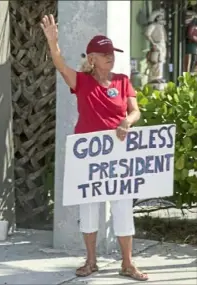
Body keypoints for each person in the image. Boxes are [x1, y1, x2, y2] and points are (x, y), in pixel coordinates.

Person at [40, 15, 148, 281]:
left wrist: (126, 121)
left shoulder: (123, 80)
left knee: (122, 207)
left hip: (118, 153)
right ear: (91, 59)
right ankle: (90, 261)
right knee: (89, 208)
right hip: (89, 154)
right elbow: (59, 65)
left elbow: (136, 112)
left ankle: (127, 263)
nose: (110, 57)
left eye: (112, 52)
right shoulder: (82, 82)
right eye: (104, 53)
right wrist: (53, 42)